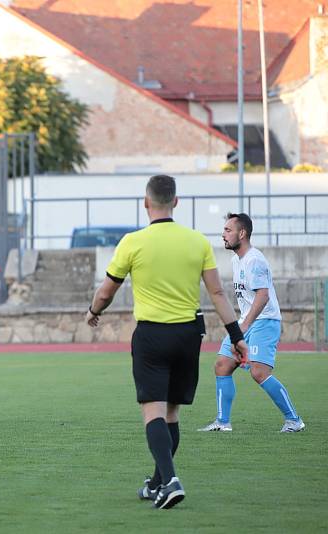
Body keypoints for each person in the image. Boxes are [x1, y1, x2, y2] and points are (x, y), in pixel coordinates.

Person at [85, 175, 249, 510]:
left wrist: (93, 311)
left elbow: (107, 291)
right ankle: (157, 482)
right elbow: (217, 293)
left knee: (153, 412)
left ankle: (171, 480)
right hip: (189, 335)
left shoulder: (133, 242)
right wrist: (237, 337)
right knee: (172, 414)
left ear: (146, 203)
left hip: (152, 336)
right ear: (176, 202)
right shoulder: (197, 242)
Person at [198, 213, 305, 433]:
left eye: (228, 230)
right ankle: (222, 422)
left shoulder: (255, 259)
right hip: (245, 322)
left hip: (264, 321)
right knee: (222, 365)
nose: (223, 234)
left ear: (242, 233)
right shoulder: (236, 259)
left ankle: (294, 420)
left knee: (258, 372)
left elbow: (263, 296)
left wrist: (244, 326)